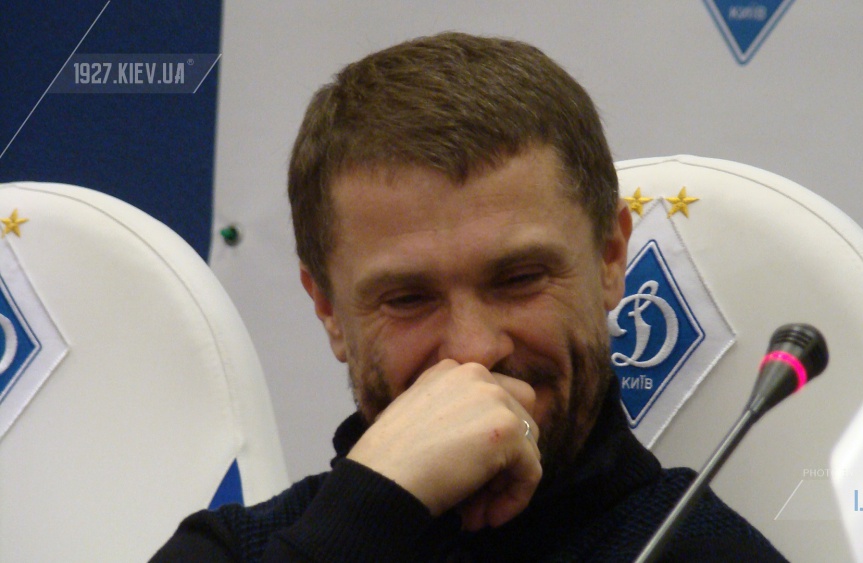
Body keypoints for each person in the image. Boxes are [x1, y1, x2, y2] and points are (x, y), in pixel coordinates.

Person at [152, 32, 785, 562]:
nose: (475, 350)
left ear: (609, 258)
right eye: (408, 298)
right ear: (328, 309)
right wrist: (362, 518)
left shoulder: (710, 553)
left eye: (520, 279)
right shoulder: (233, 549)